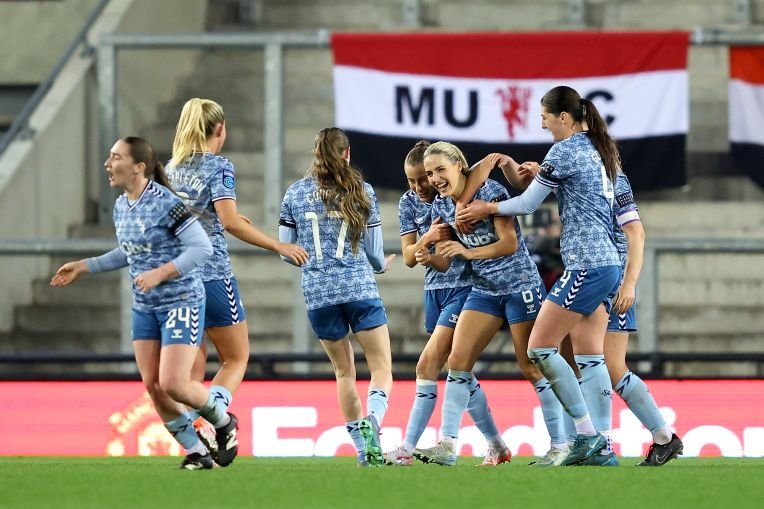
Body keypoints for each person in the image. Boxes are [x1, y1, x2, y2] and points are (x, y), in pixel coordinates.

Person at [457, 85, 622, 466]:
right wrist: (539, 174)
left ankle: (587, 438)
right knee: (583, 355)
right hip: (605, 262)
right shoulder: (599, 149)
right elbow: (559, 188)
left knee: (540, 348)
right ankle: (597, 446)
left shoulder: (564, 149)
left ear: (563, 117)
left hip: (587, 264)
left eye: (545, 117)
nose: (542, 123)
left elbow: (529, 202)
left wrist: (487, 207)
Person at [50, 137, 236, 470]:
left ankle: (224, 424)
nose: (108, 163)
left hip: (181, 300)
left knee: (174, 383)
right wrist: (85, 265)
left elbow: (202, 248)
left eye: (116, 157)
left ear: (138, 166)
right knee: (153, 385)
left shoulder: (166, 202)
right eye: (109, 157)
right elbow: (130, 252)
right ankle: (197, 452)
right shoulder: (123, 206)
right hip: (145, 306)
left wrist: (161, 274)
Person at [165, 98, 308, 460]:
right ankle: (217, 418)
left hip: (178, 279)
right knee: (236, 358)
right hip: (212, 276)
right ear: (220, 129)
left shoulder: (169, 169)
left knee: (191, 370)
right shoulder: (219, 167)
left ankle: (197, 442)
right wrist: (277, 245)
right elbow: (228, 221)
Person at [407, 141, 547, 467]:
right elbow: (445, 259)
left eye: (441, 169)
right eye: (430, 173)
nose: (435, 178)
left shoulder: (491, 189)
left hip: (519, 284)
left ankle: (564, 441)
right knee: (457, 361)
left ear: (459, 165)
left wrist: (468, 252)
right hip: (483, 289)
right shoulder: (442, 207)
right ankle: (447, 445)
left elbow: (509, 243)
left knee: (530, 365)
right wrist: (429, 253)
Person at [384, 141, 514, 467]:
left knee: (427, 365)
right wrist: (426, 243)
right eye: (413, 180)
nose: (419, 186)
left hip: (465, 288)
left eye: (424, 178)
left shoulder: (453, 197)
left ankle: (409, 448)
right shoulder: (410, 203)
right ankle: (497, 445)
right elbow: (411, 258)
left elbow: (481, 168)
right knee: (462, 373)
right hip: (435, 290)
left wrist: (429, 247)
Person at [278, 127, 395, 467]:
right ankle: (373, 422)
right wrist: (382, 266)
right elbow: (374, 254)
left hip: (318, 294)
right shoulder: (362, 190)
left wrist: (310, 261)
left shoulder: (295, 194)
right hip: (359, 288)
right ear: (347, 153)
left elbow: (287, 252)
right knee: (381, 368)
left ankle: (363, 451)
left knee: (344, 373)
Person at [605, 170, 684, 466]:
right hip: (590, 277)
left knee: (612, 368)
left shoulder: (614, 179)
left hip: (611, 284)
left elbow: (636, 233)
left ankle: (663, 437)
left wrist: (628, 284)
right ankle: (580, 441)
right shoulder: (578, 171)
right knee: (570, 360)